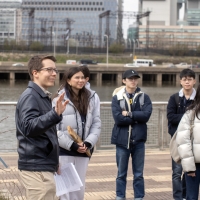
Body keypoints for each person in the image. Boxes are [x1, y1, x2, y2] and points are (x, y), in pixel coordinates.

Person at [16, 55, 69, 200]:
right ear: (35, 72)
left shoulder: (41, 96)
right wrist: (55, 114)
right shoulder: (31, 96)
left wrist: (54, 162)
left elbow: (47, 133)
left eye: (55, 70)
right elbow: (28, 127)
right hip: (35, 167)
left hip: (43, 165)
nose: (54, 73)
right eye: (49, 69)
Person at [52, 67, 101, 200]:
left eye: (83, 78)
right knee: (64, 190)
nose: (81, 80)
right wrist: (72, 145)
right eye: (77, 77)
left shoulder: (92, 97)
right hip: (64, 150)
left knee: (79, 189)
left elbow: (96, 123)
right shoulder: (59, 98)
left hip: (84, 150)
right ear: (68, 80)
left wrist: (88, 142)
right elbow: (53, 129)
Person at [111, 69, 152, 200]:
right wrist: (136, 118)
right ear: (124, 81)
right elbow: (118, 119)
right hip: (122, 141)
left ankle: (139, 197)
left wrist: (129, 114)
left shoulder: (144, 96)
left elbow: (146, 116)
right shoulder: (117, 97)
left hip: (139, 141)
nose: (133, 81)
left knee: (139, 174)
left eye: (135, 78)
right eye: (130, 79)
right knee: (121, 174)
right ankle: (120, 196)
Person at [167, 68, 196, 200]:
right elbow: (171, 117)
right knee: (176, 172)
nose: (187, 82)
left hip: (194, 142)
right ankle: (178, 197)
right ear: (180, 81)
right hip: (178, 141)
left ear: (194, 81)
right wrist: (188, 117)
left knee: (189, 172)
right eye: (184, 79)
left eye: (189, 79)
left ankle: (185, 196)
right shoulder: (174, 98)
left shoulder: (198, 98)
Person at [176, 83, 200, 200]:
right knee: (191, 197)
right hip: (195, 165)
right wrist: (189, 167)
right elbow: (183, 142)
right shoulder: (190, 114)